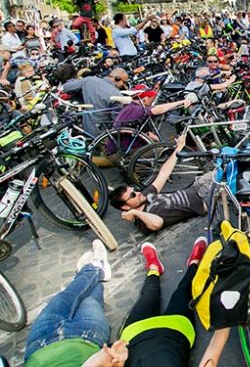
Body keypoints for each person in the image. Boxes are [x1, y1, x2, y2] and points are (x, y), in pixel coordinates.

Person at [120, 238, 228, 366]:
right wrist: (228, 315)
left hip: (134, 335)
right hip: (176, 331)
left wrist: (109, 355)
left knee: (148, 295)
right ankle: (194, 263)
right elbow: (214, 349)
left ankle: (154, 268)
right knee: (184, 291)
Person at [23, 240, 128, 367]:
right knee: (90, 301)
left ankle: (91, 270)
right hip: (86, 339)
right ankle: (95, 269)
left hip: (40, 344)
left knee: (64, 297)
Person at [109, 136, 208, 233]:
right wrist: (136, 213)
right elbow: (157, 223)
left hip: (199, 186)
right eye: (133, 195)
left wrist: (179, 148)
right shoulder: (143, 221)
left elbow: (164, 173)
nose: (138, 193)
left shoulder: (144, 196)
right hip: (206, 199)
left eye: (134, 190)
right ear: (126, 207)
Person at [62, 66, 128, 137]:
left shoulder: (90, 80)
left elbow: (65, 87)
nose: (124, 85)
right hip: (101, 136)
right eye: (124, 82)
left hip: (83, 129)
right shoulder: (117, 95)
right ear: (117, 79)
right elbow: (116, 122)